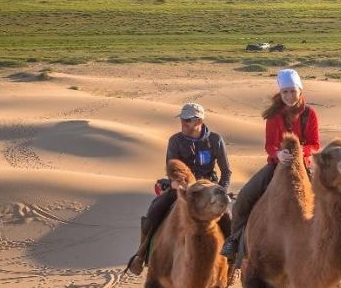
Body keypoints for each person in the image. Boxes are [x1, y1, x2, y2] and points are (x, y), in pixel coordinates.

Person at [220, 69, 320, 275]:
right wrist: (278, 154)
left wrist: (301, 152)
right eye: (285, 92)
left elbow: (315, 143)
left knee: (326, 202)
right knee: (243, 200)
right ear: (280, 94)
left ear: (300, 90)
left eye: (292, 91)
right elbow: (269, 145)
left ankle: (330, 245)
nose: (290, 96)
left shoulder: (310, 114)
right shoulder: (274, 117)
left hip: (304, 166)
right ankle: (235, 239)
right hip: (276, 166)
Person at [126, 102, 232, 275]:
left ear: (199, 120)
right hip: (181, 188)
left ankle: (233, 262)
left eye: (188, 119)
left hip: (208, 189)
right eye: (182, 119)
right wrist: (176, 183)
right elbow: (172, 168)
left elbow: (226, 171)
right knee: (155, 209)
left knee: (228, 217)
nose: (183, 122)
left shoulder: (215, 140)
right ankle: (141, 255)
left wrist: (221, 191)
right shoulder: (175, 140)